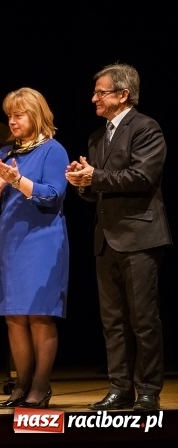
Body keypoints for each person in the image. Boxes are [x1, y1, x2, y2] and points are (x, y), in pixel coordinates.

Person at [66, 63, 171, 411]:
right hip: (106, 239)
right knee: (112, 321)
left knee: (143, 318)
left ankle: (149, 390)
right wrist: (82, 182)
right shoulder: (98, 137)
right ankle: (119, 387)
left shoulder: (146, 128)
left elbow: (142, 176)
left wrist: (95, 177)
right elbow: (97, 189)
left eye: (101, 92)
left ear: (122, 95)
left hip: (139, 235)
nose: (93, 98)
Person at [0, 88, 69, 409]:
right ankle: (21, 386)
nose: (12, 121)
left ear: (35, 115)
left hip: (43, 241)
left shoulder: (53, 150)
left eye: (18, 115)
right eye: (9, 115)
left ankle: (41, 386)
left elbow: (53, 194)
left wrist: (18, 182)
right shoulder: (7, 152)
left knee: (39, 316)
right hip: (12, 241)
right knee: (14, 317)